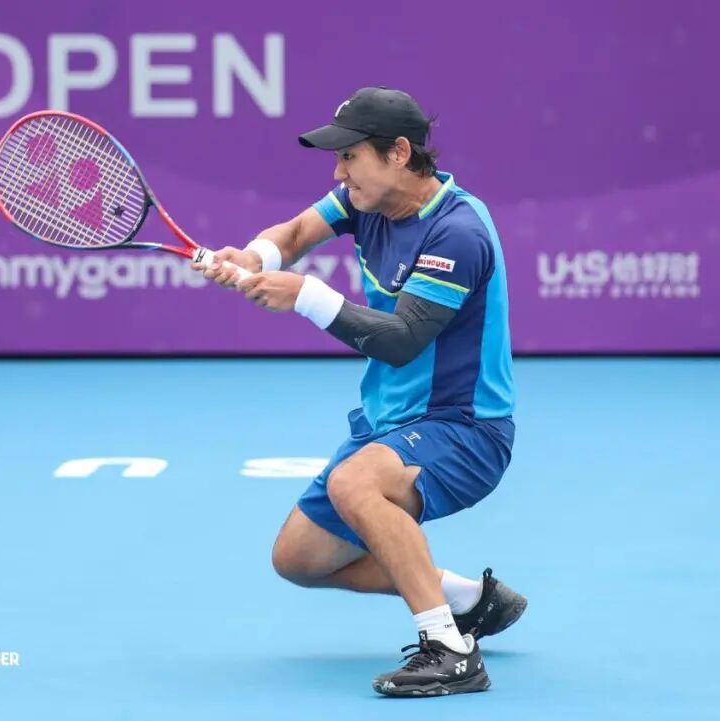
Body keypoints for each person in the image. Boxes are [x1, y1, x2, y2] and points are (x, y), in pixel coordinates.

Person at [199, 87, 526, 697]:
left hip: (464, 428)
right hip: (389, 422)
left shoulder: (457, 231)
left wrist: (304, 295)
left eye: (350, 156)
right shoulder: (366, 200)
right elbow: (297, 231)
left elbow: (402, 339)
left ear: (398, 153)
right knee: (300, 559)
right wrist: (255, 256)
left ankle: (450, 648)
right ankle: (468, 601)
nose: (339, 172)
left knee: (354, 485)